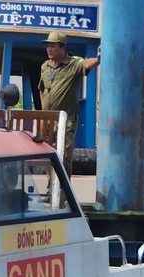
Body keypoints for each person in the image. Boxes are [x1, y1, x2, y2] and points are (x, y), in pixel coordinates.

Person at [39, 31, 100, 175]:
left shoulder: (73, 64)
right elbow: (42, 90)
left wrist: (98, 59)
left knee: (64, 155)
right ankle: (50, 190)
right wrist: (43, 113)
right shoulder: (45, 66)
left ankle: (64, 192)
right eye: (48, 46)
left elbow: (86, 63)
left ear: (62, 48)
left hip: (66, 120)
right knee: (49, 154)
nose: (49, 49)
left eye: (53, 46)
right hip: (48, 120)